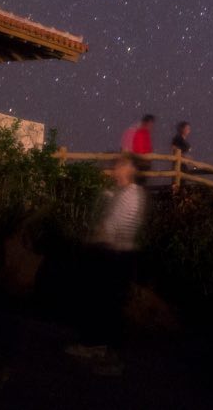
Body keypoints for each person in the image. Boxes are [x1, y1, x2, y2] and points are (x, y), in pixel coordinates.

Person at [69, 154, 147, 372]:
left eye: (120, 165)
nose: (115, 168)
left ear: (130, 169)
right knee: (104, 303)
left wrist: (93, 239)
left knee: (106, 303)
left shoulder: (130, 195)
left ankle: (106, 355)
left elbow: (114, 227)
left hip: (116, 255)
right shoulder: (121, 192)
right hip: (114, 253)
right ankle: (97, 346)